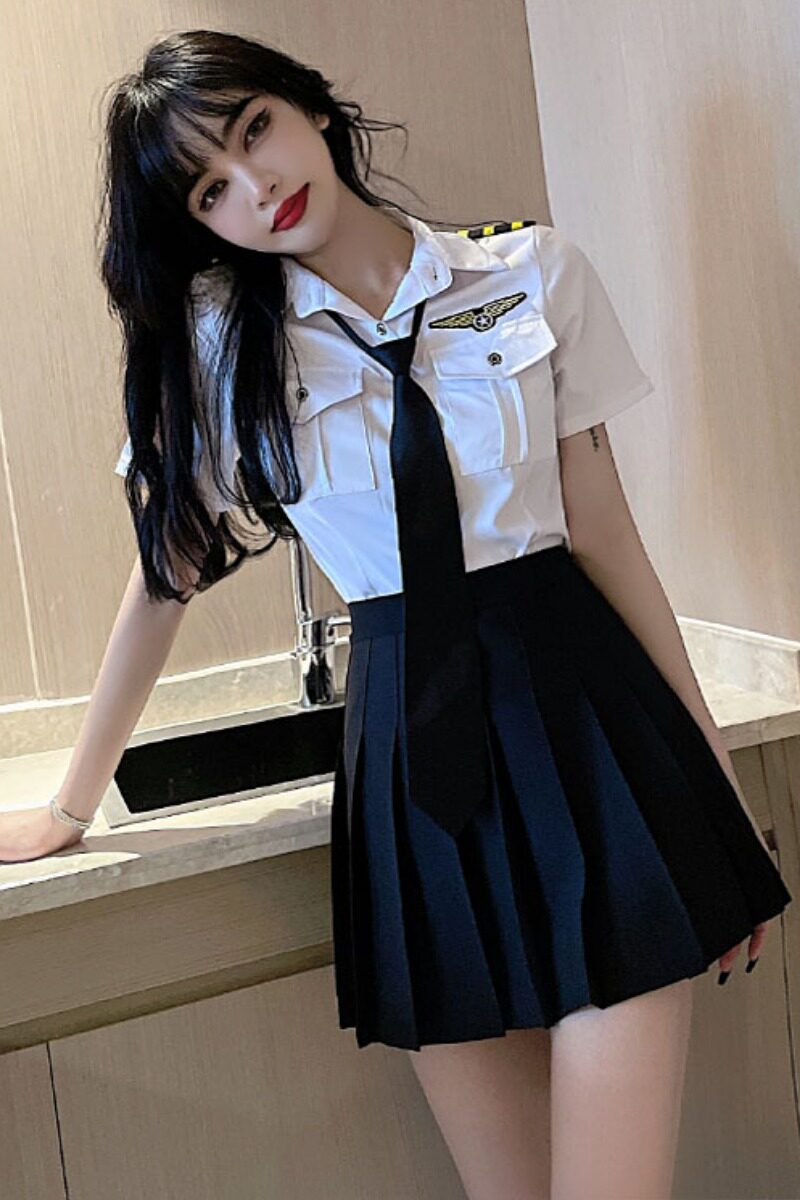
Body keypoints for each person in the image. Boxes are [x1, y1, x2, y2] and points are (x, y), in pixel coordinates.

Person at [1, 28, 792, 1200]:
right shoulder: (219, 354)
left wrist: (708, 784)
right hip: (414, 778)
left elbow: (605, 535)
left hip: (589, 730)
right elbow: (163, 580)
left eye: (255, 130)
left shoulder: (526, 271)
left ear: (311, 110)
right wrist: (72, 804)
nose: (254, 184)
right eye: (209, 189)